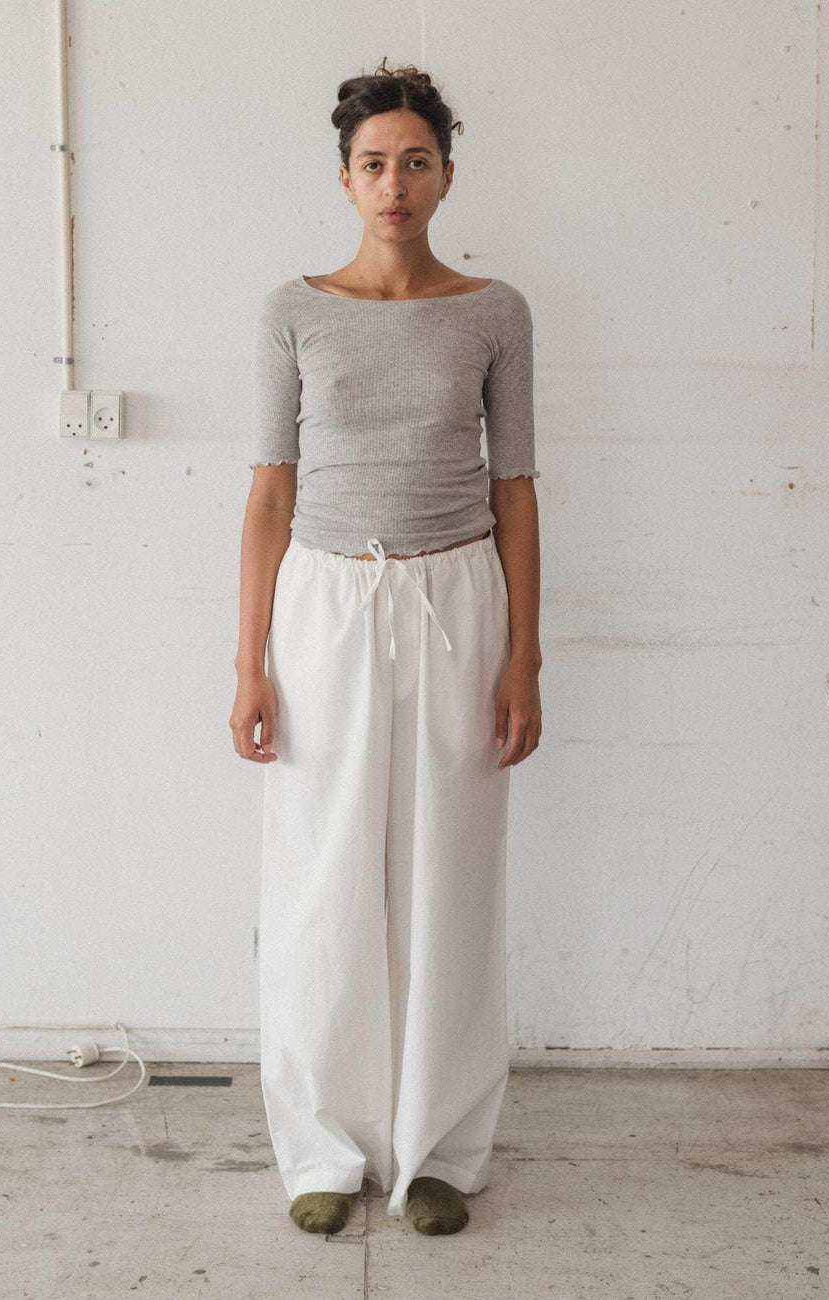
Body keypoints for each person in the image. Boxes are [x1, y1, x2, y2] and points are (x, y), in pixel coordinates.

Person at [231, 57, 543, 1237]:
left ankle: (439, 1150)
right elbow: (270, 493)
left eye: (415, 161)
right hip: (323, 601)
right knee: (323, 874)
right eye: (373, 164)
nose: (394, 183)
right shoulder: (292, 311)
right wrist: (250, 663)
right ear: (344, 179)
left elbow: (514, 489)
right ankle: (323, 1143)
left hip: (456, 595)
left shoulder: (493, 312)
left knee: (448, 871)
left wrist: (523, 658)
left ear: (446, 175)